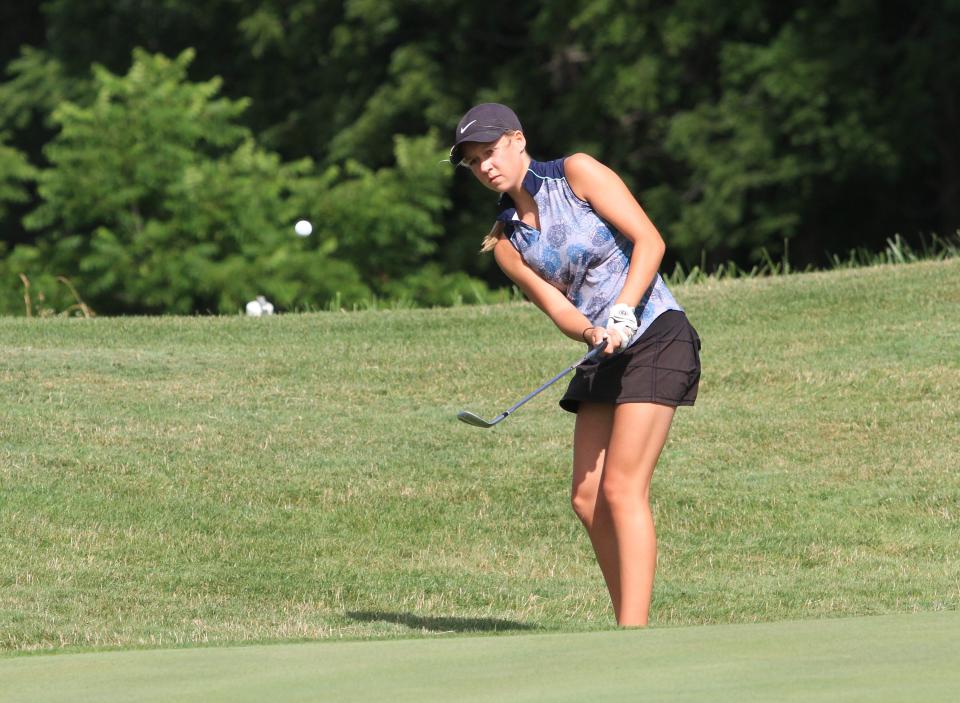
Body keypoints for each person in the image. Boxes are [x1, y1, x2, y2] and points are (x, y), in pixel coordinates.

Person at [450, 103, 701, 627]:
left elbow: (650, 240)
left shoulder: (577, 173)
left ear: (517, 140)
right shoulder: (506, 244)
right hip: (603, 347)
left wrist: (625, 310)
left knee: (621, 488)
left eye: (490, 152)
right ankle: (626, 622)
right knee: (587, 499)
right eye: (473, 162)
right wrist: (592, 331)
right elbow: (561, 308)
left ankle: (633, 637)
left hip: (654, 331)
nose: (485, 167)